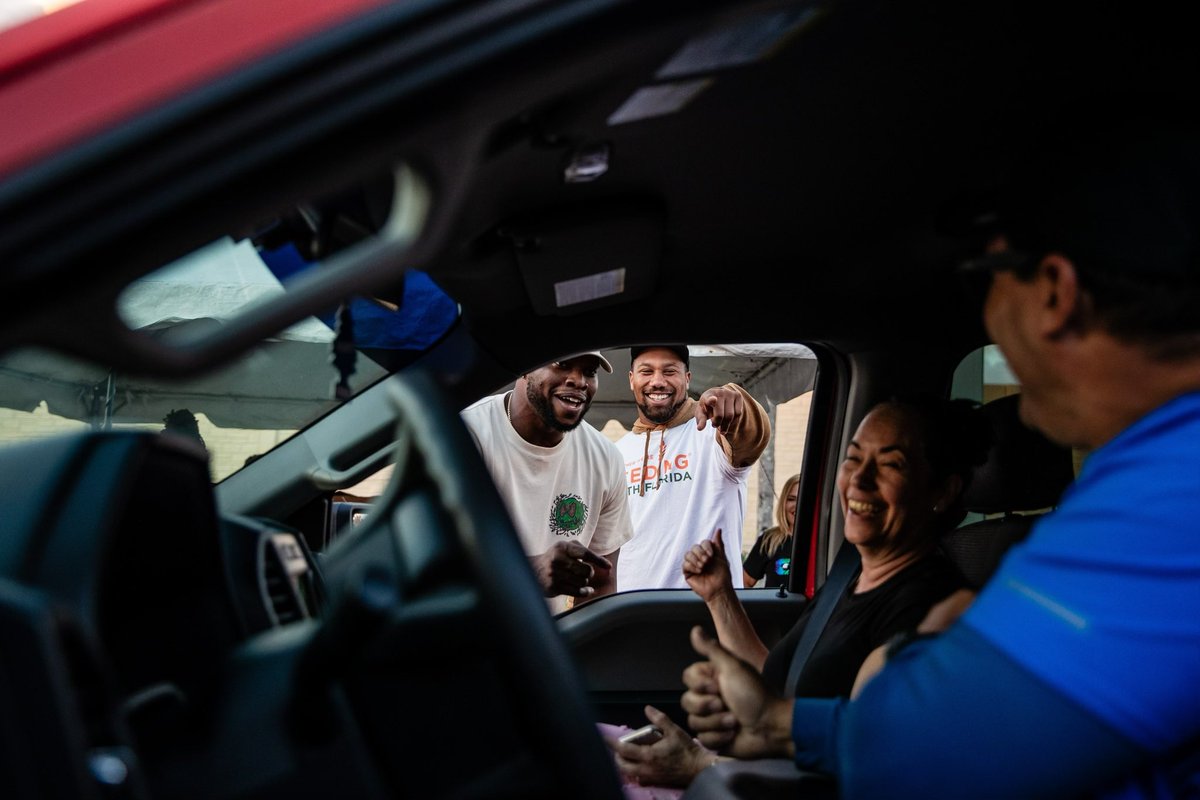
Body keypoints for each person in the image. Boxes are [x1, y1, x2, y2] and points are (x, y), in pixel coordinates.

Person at [677, 106, 1200, 798]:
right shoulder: (1148, 481)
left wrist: (912, 659)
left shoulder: (1160, 506)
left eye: (988, 277)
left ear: (1052, 293)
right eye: (854, 456)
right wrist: (780, 724)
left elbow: (934, 758)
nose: (858, 477)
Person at [606, 397, 986, 789]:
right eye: (853, 459)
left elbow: (861, 763)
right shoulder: (851, 579)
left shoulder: (928, 613)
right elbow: (780, 683)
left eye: (891, 465)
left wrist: (702, 765)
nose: (859, 479)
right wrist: (720, 595)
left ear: (942, 491)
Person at [461, 351, 634, 613]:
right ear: (524, 368)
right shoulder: (466, 435)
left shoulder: (606, 459)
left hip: (542, 644)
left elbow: (600, 583)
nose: (578, 381)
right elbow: (435, 564)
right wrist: (530, 573)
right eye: (562, 364)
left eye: (589, 371)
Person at [616, 345, 771, 591]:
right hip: (630, 613)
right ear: (631, 379)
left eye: (669, 371)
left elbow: (752, 432)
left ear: (687, 379)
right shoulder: (616, 453)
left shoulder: (714, 432)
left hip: (708, 611)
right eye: (647, 371)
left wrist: (732, 398)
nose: (657, 381)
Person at [742, 473, 801, 588]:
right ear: (784, 503)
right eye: (791, 499)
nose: (797, 505)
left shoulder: (823, 541)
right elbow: (745, 582)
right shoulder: (769, 540)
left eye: (803, 499)